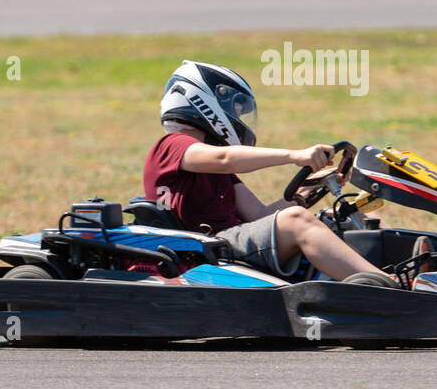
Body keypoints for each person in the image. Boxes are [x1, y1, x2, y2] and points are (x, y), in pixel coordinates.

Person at [143, 60, 398, 286]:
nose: (239, 116)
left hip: (234, 241)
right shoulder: (172, 145)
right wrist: (294, 155)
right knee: (296, 220)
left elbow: (259, 216)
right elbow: (225, 159)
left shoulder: (214, 168)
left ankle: (408, 266)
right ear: (202, 101)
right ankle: (386, 285)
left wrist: (306, 191)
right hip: (209, 248)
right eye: (235, 109)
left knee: (342, 214)